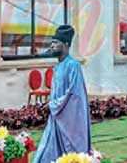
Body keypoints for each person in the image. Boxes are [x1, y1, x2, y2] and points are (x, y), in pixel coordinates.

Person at [33, 26, 92, 163]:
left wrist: (53, 105)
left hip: (69, 121)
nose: (52, 46)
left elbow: (73, 96)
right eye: (51, 43)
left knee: (70, 155)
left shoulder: (73, 66)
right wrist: (52, 104)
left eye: (56, 43)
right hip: (56, 117)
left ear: (66, 45)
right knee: (45, 153)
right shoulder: (57, 67)